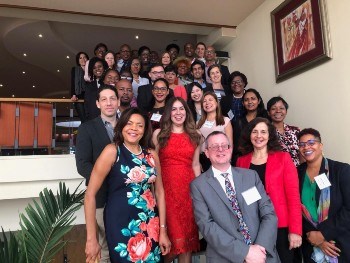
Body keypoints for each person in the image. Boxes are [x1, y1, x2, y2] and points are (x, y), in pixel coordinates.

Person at [84, 107, 172, 263]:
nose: (134, 128)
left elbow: (159, 193)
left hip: (150, 223)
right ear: (121, 126)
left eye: (140, 125)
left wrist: (163, 231)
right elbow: (90, 195)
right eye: (129, 124)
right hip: (120, 224)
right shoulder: (112, 151)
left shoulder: (152, 154)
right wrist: (91, 239)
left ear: (145, 130)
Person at [190, 131, 280, 263]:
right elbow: (207, 226)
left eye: (224, 145)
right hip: (225, 257)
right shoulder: (199, 185)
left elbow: (269, 214)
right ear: (207, 153)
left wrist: (260, 248)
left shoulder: (251, 176)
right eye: (214, 146)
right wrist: (245, 252)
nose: (220, 149)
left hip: (262, 255)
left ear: (230, 149)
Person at [236, 117, 302, 263]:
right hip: (253, 225)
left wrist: (295, 230)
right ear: (249, 135)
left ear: (270, 135)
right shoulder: (241, 161)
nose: (259, 136)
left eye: (263, 132)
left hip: (281, 225)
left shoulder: (283, 158)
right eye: (255, 132)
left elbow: (293, 196)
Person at [153, 97, 201, 263]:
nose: (178, 113)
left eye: (182, 109)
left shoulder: (196, 135)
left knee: (186, 244)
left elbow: (196, 165)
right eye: (174, 109)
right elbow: (154, 165)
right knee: (168, 244)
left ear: (187, 113)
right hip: (167, 192)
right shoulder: (159, 134)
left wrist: (200, 194)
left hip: (188, 193)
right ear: (168, 113)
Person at [76, 85, 119, 262]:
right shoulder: (87, 128)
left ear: (117, 101)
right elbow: (82, 165)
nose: (109, 103)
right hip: (100, 199)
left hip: (125, 198)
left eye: (112, 98)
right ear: (97, 103)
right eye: (104, 99)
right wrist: (109, 177)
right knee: (104, 251)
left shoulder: (129, 126)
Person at [297, 128, 350, 263]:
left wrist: (323, 234)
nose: (306, 147)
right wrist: (315, 238)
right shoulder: (296, 173)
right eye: (302, 144)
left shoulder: (341, 170)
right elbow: (295, 208)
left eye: (311, 143)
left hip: (339, 243)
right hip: (311, 244)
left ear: (321, 146)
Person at [197, 91, 233, 171]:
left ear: (217, 103)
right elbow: (196, 144)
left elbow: (230, 143)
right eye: (204, 101)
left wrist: (228, 160)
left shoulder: (225, 121)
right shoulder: (198, 123)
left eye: (210, 100)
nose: (207, 103)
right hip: (203, 159)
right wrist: (197, 161)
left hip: (220, 157)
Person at [233, 88, 268, 163]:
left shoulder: (266, 119)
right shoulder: (238, 122)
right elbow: (236, 146)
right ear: (243, 103)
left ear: (259, 101)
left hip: (265, 158)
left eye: (253, 99)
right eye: (246, 100)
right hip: (245, 160)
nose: (250, 102)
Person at [267, 96, 301, 166]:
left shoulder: (296, 131)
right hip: (277, 172)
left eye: (281, 108)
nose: (278, 111)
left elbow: (302, 152)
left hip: (298, 172)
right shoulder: (265, 133)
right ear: (268, 113)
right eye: (273, 108)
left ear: (286, 111)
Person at [71, 51, 89, 123]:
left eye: (84, 57)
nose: (83, 59)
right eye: (80, 58)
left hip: (89, 96)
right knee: (83, 119)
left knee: (89, 118)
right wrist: (73, 94)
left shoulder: (91, 69)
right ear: (78, 61)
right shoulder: (75, 69)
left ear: (87, 59)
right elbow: (73, 82)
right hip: (79, 96)